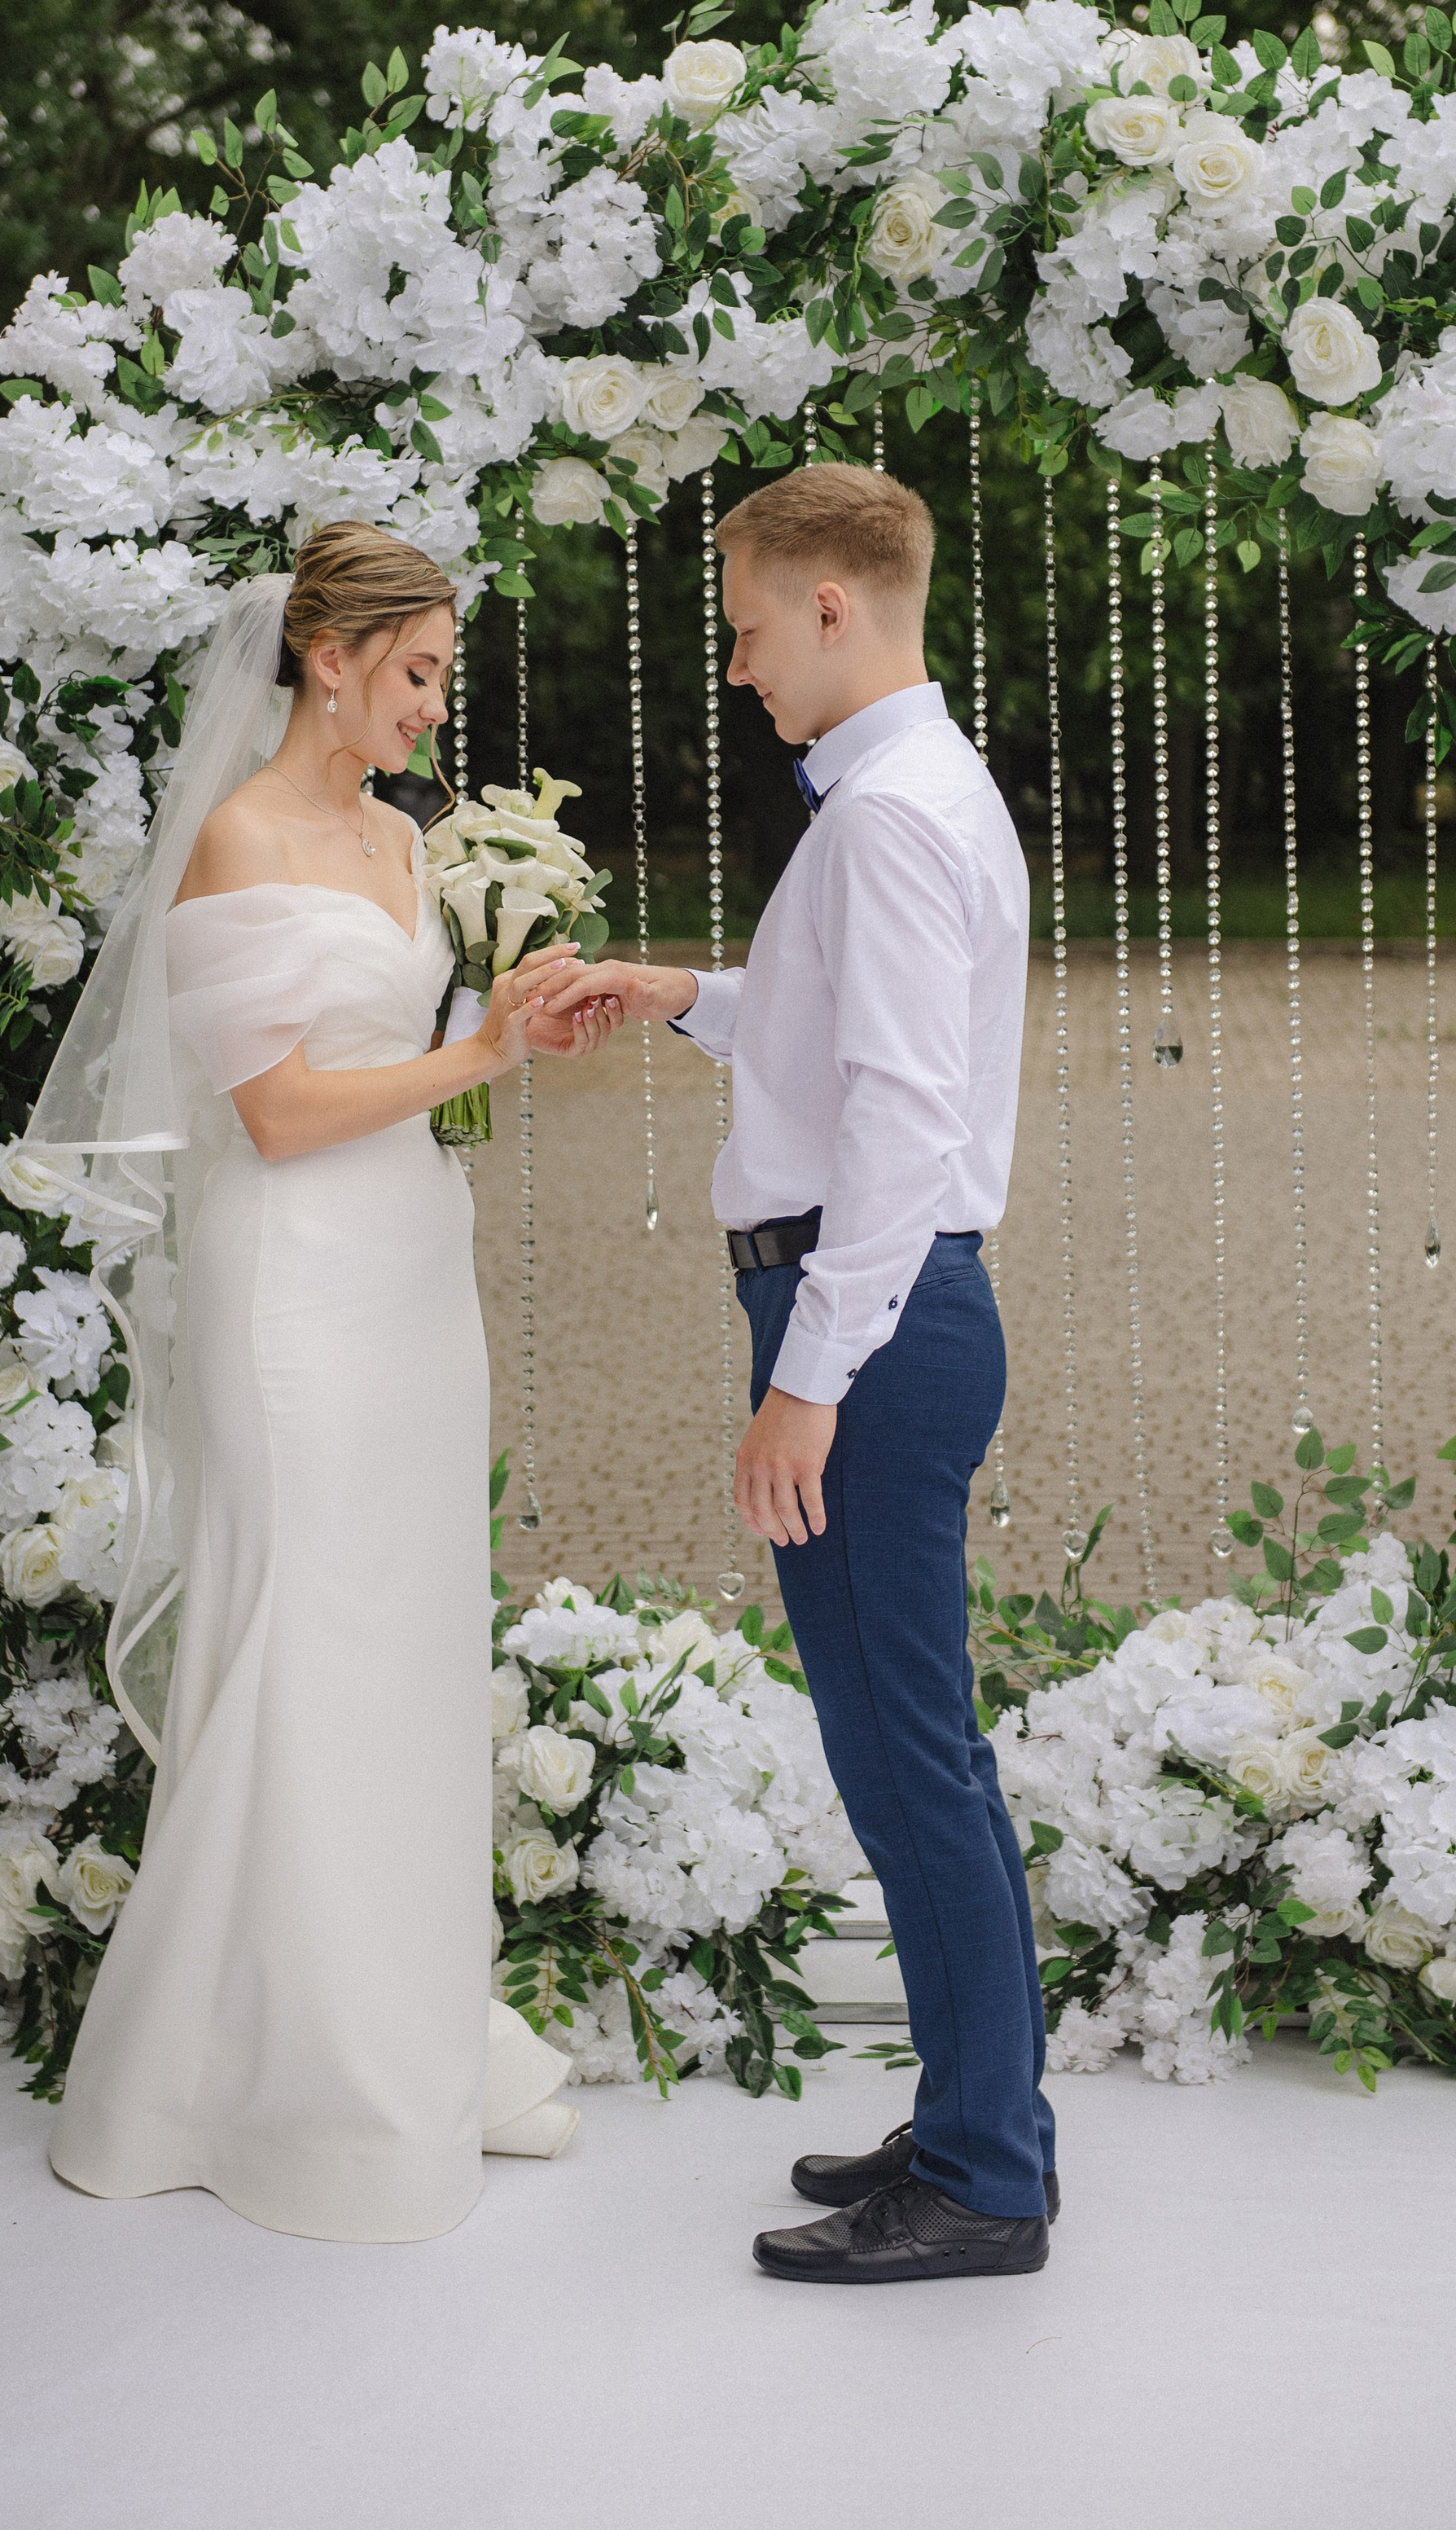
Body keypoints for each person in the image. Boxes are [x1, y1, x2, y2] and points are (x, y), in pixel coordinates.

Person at [41, 521, 614, 2242]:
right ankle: (270, 2083)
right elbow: (280, 1112)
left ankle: (404, 2028)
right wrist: (473, 1051)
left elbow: (411, 1067)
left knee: (403, 1639)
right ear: (328, 659)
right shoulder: (240, 836)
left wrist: (515, 1028)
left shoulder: (405, 838)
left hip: (411, 1271)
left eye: (442, 675)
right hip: (291, 1284)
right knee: (302, 1638)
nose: (435, 707)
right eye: (417, 673)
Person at [532, 464, 1057, 2285]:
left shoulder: (891, 813)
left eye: (749, 626)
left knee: (907, 1759)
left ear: (833, 602)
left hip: (871, 1319)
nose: (740, 663)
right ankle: (978, 2116)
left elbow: (899, 1121)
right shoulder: (908, 792)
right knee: (914, 1750)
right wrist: (678, 993)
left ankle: (986, 2179)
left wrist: (809, 1378)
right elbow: (839, 1039)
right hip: (883, 1306)